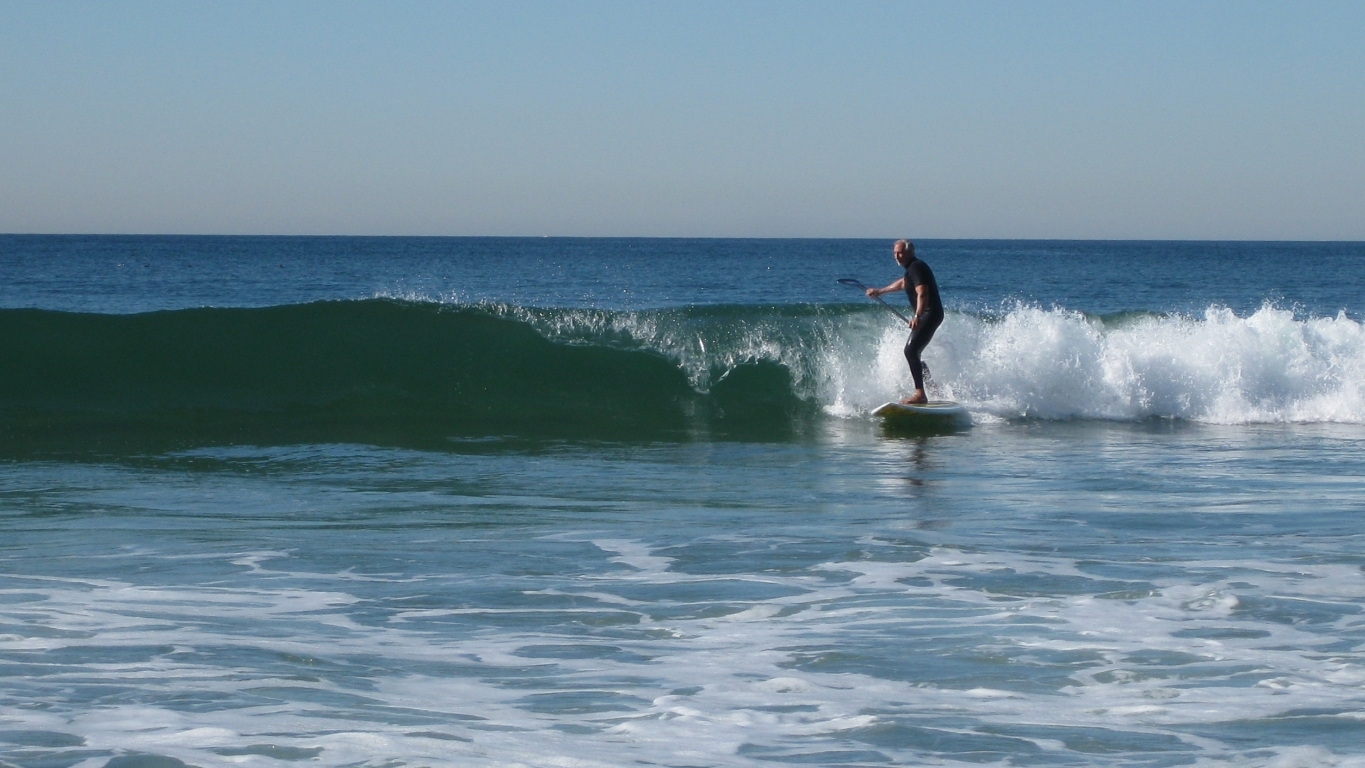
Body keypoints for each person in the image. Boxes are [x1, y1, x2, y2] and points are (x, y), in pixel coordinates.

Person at [866, 239, 943, 404]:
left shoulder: (916, 267)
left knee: (910, 351)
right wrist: (880, 291)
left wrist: (917, 316)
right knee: (915, 352)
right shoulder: (912, 269)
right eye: (894, 253)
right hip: (931, 314)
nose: (896, 256)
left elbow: (923, 292)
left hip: (930, 313)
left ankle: (920, 394)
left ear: (910, 252)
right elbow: (903, 283)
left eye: (900, 252)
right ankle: (933, 388)